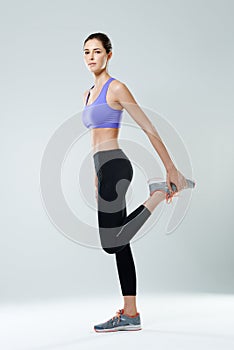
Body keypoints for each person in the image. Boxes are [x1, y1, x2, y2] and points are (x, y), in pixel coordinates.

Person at [82, 32, 195, 333]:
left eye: (97, 51)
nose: (91, 57)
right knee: (121, 243)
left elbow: (148, 127)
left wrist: (170, 169)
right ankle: (130, 313)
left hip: (117, 166)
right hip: (104, 169)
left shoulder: (116, 87)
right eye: (86, 52)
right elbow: (94, 137)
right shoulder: (87, 93)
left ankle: (159, 193)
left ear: (108, 54)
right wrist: (96, 173)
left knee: (111, 243)